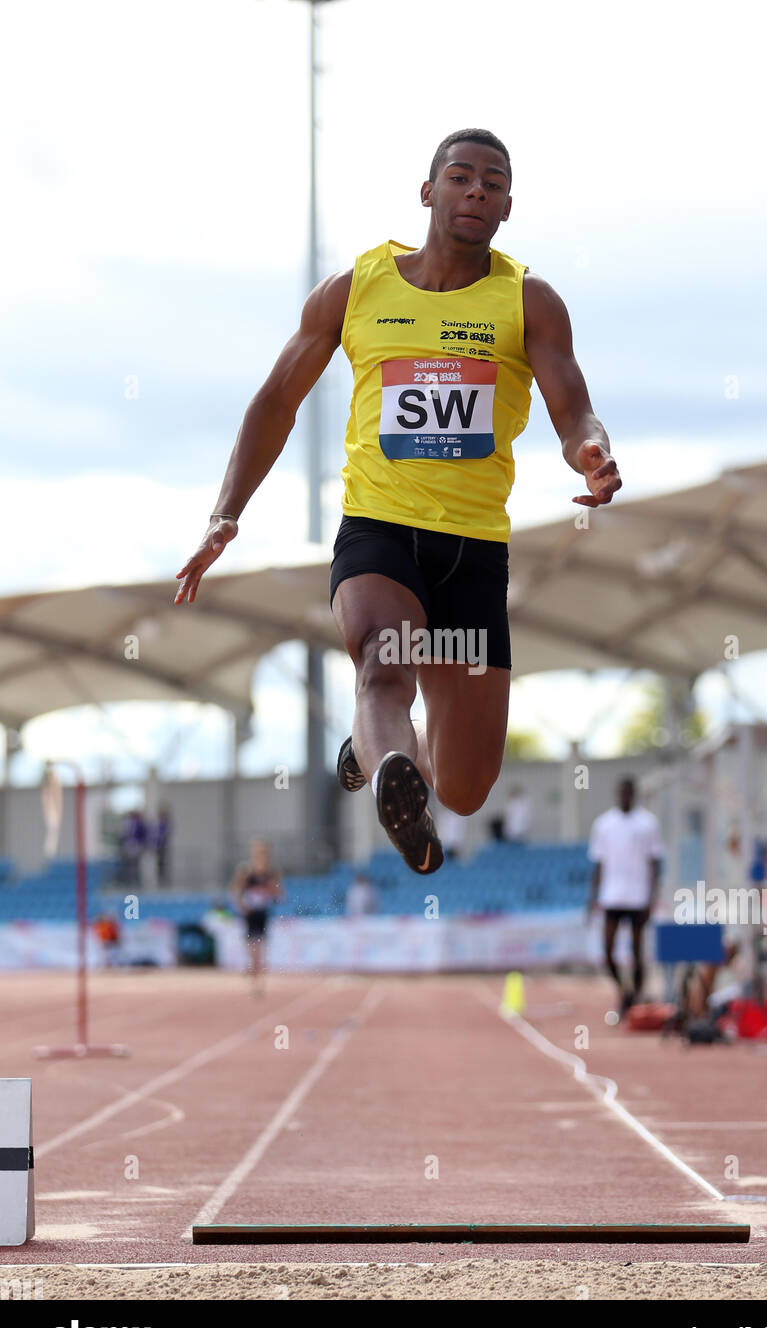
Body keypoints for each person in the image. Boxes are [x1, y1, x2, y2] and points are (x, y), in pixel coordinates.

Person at [175, 127, 621, 877]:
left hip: (472, 549)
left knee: (467, 785)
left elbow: (574, 406)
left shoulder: (529, 301)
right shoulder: (355, 290)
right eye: (460, 176)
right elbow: (276, 402)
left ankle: (370, 750)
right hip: (378, 531)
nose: (476, 190)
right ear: (429, 191)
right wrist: (226, 515)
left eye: (493, 182)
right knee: (384, 668)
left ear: (508, 206)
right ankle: (388, 767)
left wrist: (592, 452)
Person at [587, 777, 665, 1015]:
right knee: (608, 950)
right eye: (622, 792)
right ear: (616, 793)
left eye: (629, 792)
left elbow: (654, 863)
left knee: (637, 951)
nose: (625, 797)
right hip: (611, 895)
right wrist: (592, 898)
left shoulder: (648, 823)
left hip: (638, 896)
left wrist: (652, 897)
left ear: (634, 794)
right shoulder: (604, 824)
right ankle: (624, 991)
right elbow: (599, 863)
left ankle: (636, 998)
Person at [230, 840, 283, 994]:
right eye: (259, 853)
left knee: (261, 946)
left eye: (264, 853)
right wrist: (241, 905)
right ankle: (254, 973)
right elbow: (236, 890)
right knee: (253, 946)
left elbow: (279, 894)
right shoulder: (246, 871)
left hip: (263, 912)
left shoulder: (272, 873)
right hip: (250, 912)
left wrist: (271, 888)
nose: (262, 856)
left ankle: (258, 974)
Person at [152, 804, 173, 887]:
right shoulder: (159, 823)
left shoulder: (165, 823)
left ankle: (163, 879)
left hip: (162, 846)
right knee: (159, 864)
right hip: (158, 846)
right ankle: (160, 879)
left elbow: (163, 835)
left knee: (162, 863)